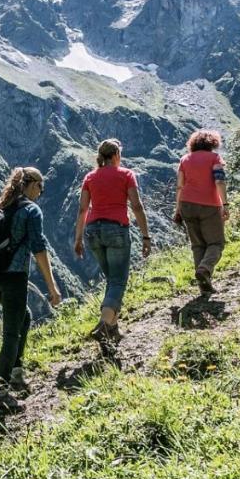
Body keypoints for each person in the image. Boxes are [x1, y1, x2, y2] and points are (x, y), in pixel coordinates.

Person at [0, 166, 62, 411]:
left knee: (24, 317)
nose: (41, 192)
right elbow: (38, 248)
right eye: (41, 187)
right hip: (13, 278)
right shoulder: (31, 210)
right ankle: (1, 392)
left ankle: (15, 374)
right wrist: (52, 287)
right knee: (11, 333)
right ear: (32, 183)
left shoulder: (0, 205)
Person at [73, 139, 151, 343]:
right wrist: (145, 235)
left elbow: (82, 209)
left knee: (112, 280)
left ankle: (112, 329)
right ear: (116, 154)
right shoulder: (126, 175)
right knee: (118, 280)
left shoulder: (90, 177)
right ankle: (105, 324)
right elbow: (136, 206)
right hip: (115, 229)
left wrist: (78, 238)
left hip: (92, 232)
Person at [174, 129, 229, 294]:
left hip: (186, 205)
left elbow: (179, 186)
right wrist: (225, 204)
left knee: (198, 245)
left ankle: (204, 286)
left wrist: (178, 209)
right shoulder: (214, 158)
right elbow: (219, 181)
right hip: (209, 205)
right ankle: (204, 269)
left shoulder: (184, 160)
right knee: (216, 243)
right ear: (213, 143)